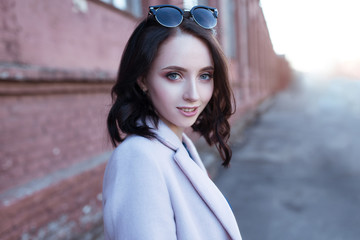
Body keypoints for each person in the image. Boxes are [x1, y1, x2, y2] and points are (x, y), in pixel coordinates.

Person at [102, 4, 242, 240]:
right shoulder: (138, 158)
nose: (194, 94)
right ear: (143, 80)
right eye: (174, 75)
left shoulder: (179, 145)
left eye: (205, 75)